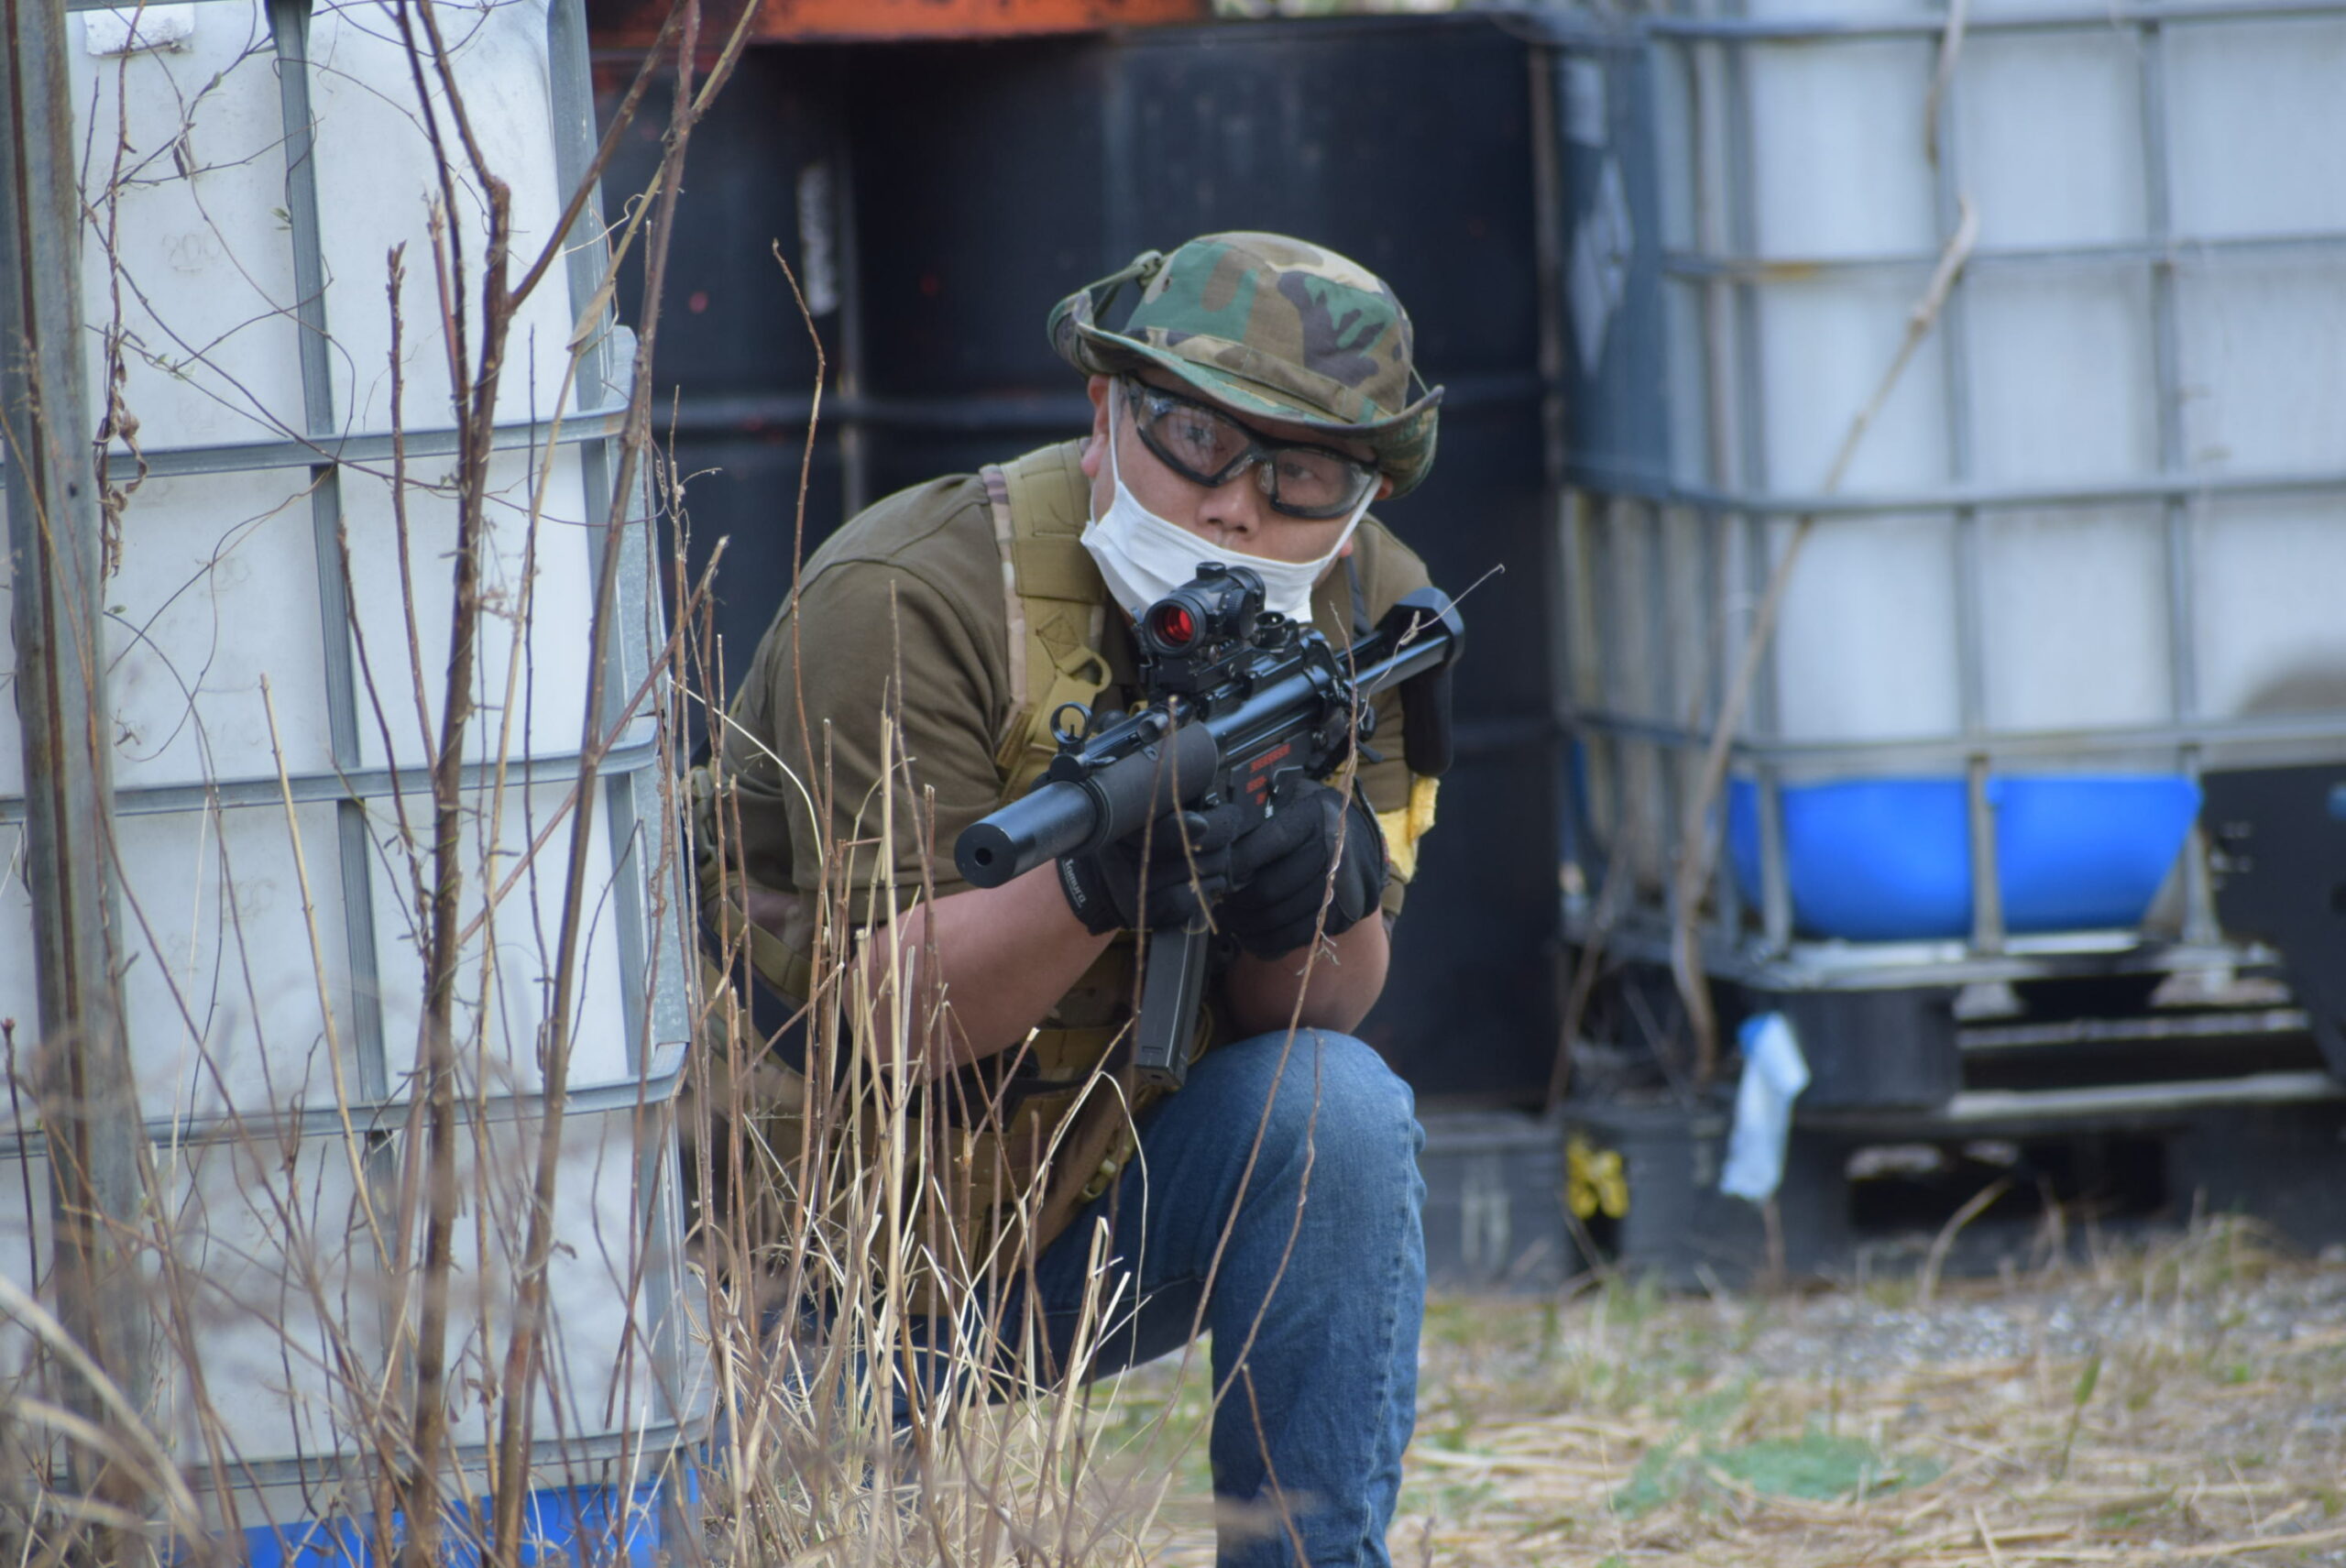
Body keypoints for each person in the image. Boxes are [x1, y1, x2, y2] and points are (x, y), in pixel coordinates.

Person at [696, 231, 1450, 1567]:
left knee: (1343, 1112)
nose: (1237, 508)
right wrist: (1098, 881)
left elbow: (1322, 1018)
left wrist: (1313, 899)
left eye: (1303, 474)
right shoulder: (910, 594)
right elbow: (889, 1019)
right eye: (1196, 439)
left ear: (1364, 492)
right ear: (1104, 414)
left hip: (1075, 1244)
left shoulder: (1365, 606)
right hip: (787, 1283)